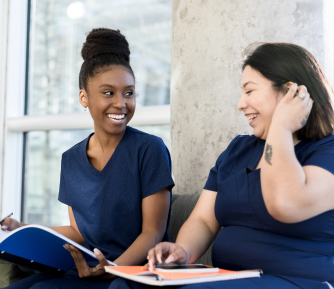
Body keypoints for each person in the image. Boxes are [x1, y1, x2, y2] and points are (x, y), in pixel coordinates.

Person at [109, 42, 334, 289]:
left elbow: (285, 203)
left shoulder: (327, 151)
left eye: (249, 91)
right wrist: (182, 252)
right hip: (229, 278)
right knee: (125, 286)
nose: (240, 104)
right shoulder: (238, 150)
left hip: (299, 281)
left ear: (291, 92)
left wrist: (280, 127)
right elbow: (204, 220)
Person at [1, 28, 175, 289]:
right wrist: (20, 228)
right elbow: (78, 233)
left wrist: (113, 270)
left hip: (135, 272)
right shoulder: (70, 160)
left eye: (129, 93)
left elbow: (153, 233)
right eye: (108, 93)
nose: (121, 103)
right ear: (84, 97)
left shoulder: (149, 149)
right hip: (90, 269)